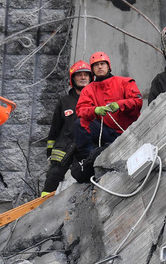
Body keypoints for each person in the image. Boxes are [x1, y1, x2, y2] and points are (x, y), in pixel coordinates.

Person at [72, 51, 143, 181]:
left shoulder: (124, 82)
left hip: (128, 131)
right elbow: (81, 110)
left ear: (108, 66)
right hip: (106, 131)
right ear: (92, 70)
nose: (99, 67)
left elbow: (137, 101)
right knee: (80, 123)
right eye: (96, 65)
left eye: (102, 64)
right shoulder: (89, 89)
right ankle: (89, 161)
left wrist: (120, 104)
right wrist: (95, 110)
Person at [41, 61, 92, 196]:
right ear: (73, 79)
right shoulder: (65, 101)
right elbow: (54, 131)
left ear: (90, 78)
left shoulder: (95, 100)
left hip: (85, 148)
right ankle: (40, 206)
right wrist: (49, 155)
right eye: (79, 75)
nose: (82, 78)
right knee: (53, 178)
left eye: (86, 75)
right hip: (64, 148)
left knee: (83, 177)